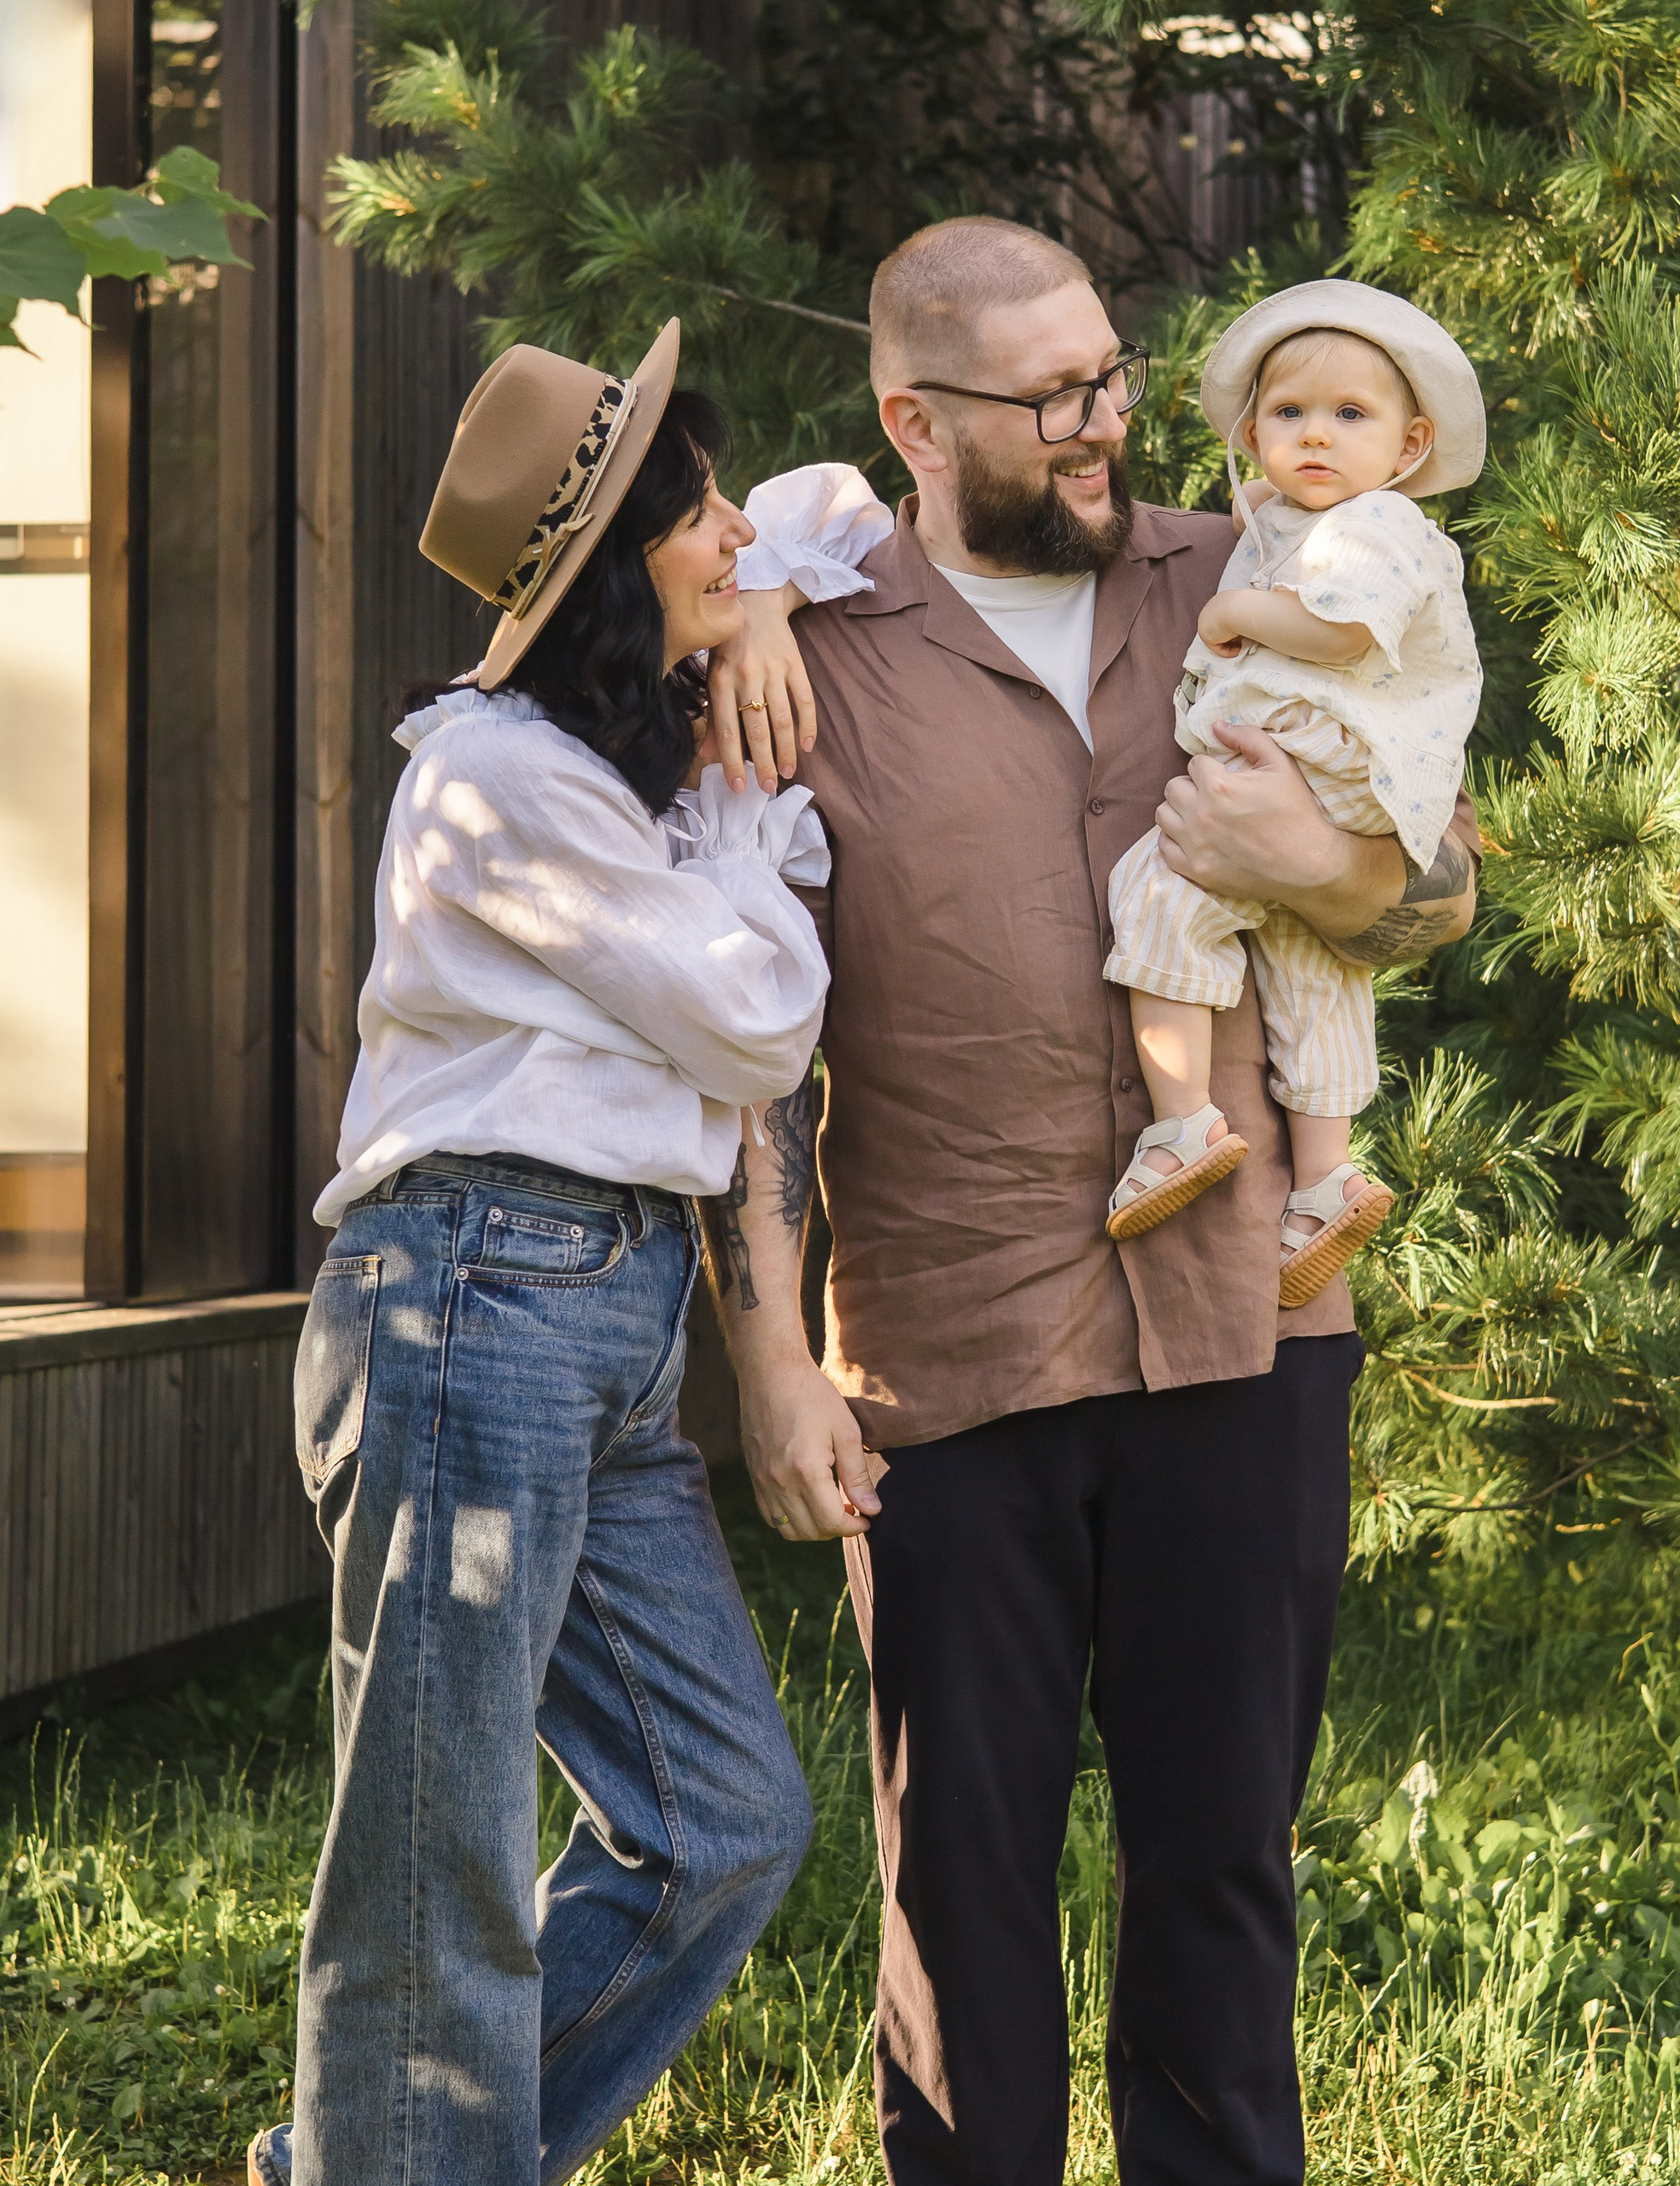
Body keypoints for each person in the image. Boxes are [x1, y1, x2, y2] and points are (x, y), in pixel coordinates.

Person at [710, 219, 1480, 2186]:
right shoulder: (809, 653)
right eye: (1049, 397)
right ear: (912, 417)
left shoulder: (1248, 573)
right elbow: (746, 1053)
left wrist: (1309, 850)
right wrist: (775, 1355)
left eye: (1111, 377)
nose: (1101, 424)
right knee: (956, 1884)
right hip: (949, 1354)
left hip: (1244, 1327)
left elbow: (1441, 884)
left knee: (1220, 1861)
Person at [248, 321, 885, 2186]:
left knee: (723, 1823)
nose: (722, 521)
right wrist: (760, 816)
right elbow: (761, 1019)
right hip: (468, 1291)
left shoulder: (628, 761)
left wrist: (754, 607)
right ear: (609, 568)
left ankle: (378, 2163)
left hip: (596, 1319)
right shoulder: (495, 779)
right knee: (436, 1854)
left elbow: (838, 501)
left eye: (703, 490)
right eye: (682, 510)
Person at [1102, 281, 1485, 1309]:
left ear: (1408, 446)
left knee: (1163, 887)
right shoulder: (1293, 521)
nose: (1315, 435)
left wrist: (1236, 607)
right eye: (1288, 415)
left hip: (1314, 752)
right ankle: (1324, 1179)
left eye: (1349, 416)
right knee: (1311, 961)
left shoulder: (1376, 527)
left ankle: (1179, 1125)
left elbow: (1346, 632)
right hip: (1350, 775)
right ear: (1251, 430)